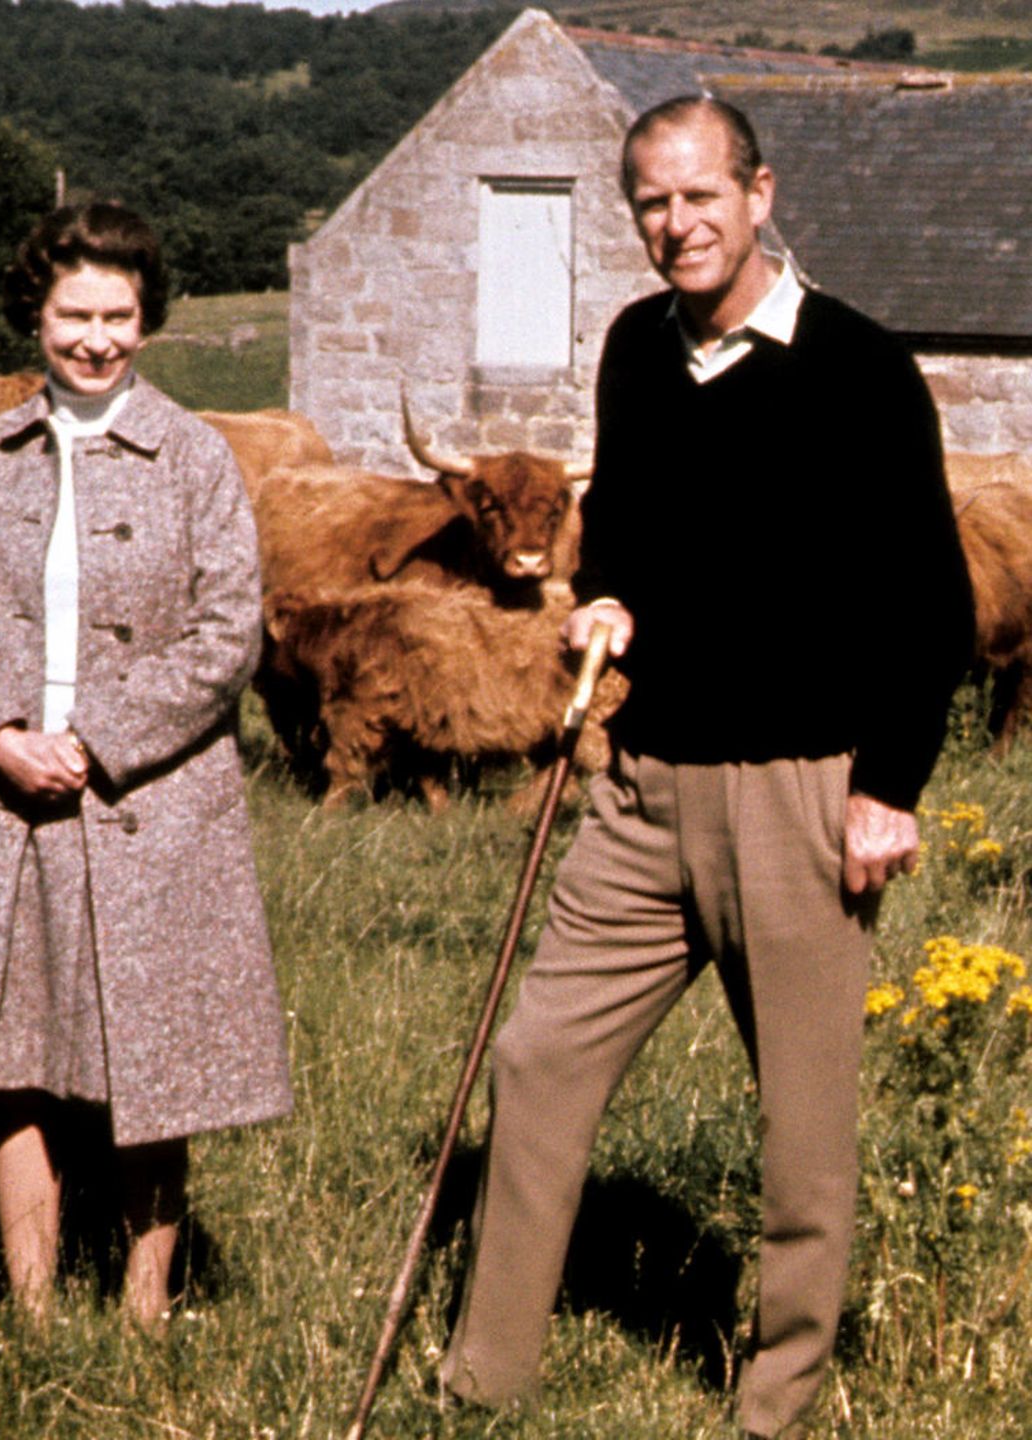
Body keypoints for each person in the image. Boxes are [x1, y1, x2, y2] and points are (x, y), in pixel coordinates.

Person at [440, 97, 974, 1438]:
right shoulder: (634, 348)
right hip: (642, 787)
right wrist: (608, 594)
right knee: (541, 1059)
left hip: (801, 791)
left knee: (801, 1140)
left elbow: (932, 605)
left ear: (759, 194)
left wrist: (889, 789)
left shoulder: (857, 367)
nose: (676, 224)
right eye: (650, 203)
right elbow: (621, 514)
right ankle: (480, 1379)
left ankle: (776, 1407)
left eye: (699, 197)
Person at [0, 199, 293, 1330]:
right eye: (76, 314)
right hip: (0, 806)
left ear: (147, 319)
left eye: (119, 315)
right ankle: (28, 1307)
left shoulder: (197, 458)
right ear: (38, 314)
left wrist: (102, 740)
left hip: (151, 804)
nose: (98, 338)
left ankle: (146, 1303)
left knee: (149, 1057)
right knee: (12, 1059)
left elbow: (228, 634)